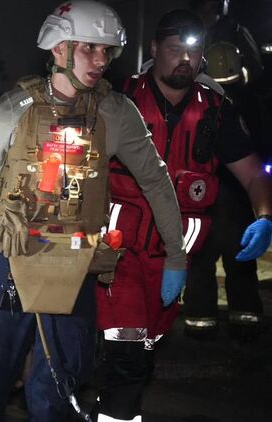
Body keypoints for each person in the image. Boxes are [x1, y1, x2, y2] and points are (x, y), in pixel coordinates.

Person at [0, 1, 187, 420]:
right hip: (12, 262)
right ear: (58, 48)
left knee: (57, 385)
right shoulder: (10, 111)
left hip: (74, 264)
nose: (100, 60)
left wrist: (176, 256)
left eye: (106, 50)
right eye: (88, 47)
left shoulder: (115, 113)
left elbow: (156, 181)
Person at [99, 10, 272, 421]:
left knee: (145, 350)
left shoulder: (215, 110)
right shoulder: (119, 99)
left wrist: (264, 217)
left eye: (192, 52)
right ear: (154, 48)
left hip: (173, 261)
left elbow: (253, 174)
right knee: (125, 351)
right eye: (175, 49)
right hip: (117, 256)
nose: (184, 60)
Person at [184, 41, 272, 340]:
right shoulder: (249, 100)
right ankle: (245, 314)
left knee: (201, 255)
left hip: (203, 192)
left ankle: (199, 316)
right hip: (240, 191)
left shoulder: (202, 99)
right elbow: (262, 143)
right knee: (241, 254)